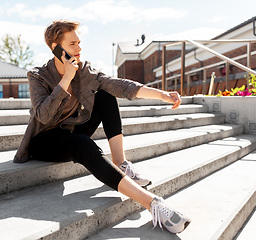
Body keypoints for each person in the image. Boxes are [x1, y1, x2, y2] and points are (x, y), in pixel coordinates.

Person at [13, 19, 191, 234]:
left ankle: (120, 163)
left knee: (105, 95)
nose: (79, 48)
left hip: (71, 130)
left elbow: (119, 85)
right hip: (45, 140)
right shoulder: (38, 76)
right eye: (72, 44)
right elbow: (43, 115)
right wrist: (66, 79)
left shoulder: (84, 70)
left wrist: (161, 95)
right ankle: (152, 203)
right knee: (82, 143)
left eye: (79, 43)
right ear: (55, 48)